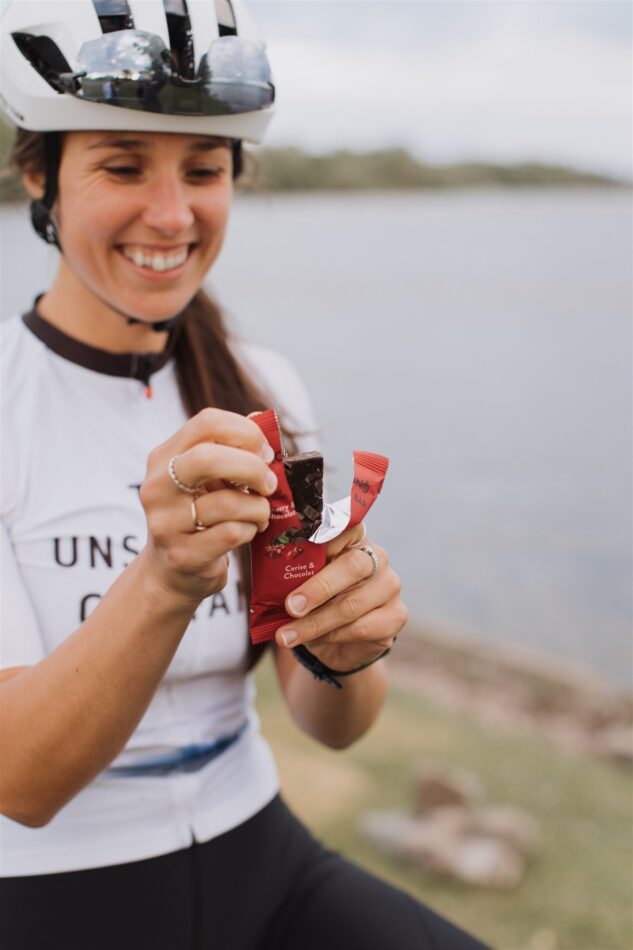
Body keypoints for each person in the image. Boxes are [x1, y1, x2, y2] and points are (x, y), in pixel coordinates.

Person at [0, 3, 490, 948]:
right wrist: (165, 579)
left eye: (204, 167)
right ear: (39, 177)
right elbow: (22, 782)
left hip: (259, 850)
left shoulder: (264, 389)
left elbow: (333, 726)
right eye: (121, 163)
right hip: (50, 888)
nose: (173, 213)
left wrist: (346, 650)